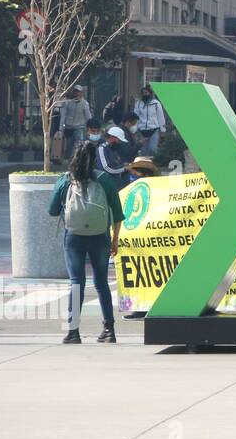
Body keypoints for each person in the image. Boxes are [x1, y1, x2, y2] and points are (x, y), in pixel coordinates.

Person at [47, 142, 124, 343]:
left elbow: (52, 210)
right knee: (101, 283)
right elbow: (117, 214)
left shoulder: (65, 180)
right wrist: (114, 240)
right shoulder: (105, 179)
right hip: (100, 237)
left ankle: (73, 332)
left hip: (74, 238)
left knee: (76, 283)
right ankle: (109, 330)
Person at [57, 86, 92, 158]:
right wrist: (61, 130)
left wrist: (90, 128)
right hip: (68, 128)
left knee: (79, 145)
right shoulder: (67, 103)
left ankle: (78, 159)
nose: (77, 93)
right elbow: (63, 116)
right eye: (75, 91)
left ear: (81, 93)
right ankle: (70, 161)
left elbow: (88, 117)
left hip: (79, 128)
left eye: (79, 92)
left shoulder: (85, 104)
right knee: (69, 147)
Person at [133, 84, 166, 157]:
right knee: (143, 151)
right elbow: (135, 117)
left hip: (153, 129)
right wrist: (134, 129)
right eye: (143, 93)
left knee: (152, 150)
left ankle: (153, 166)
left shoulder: (156, 103)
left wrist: (163, 130)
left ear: (150, 93)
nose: (145, 94)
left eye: (146, 93)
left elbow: (160, 117)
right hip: (142, 130)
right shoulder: (138, 103)